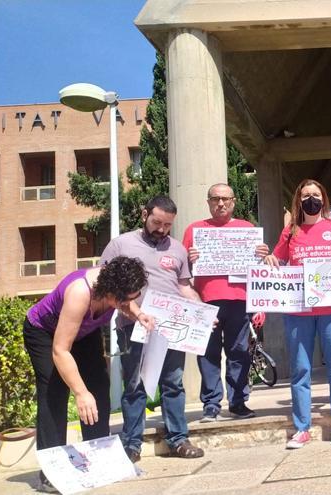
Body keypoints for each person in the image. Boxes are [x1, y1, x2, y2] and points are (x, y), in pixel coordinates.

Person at [24, 257, 152, 492]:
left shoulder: (116, 287)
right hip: (45, 334)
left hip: (84, 332)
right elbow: (60, 350)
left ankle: (98, 458)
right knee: (55, 391)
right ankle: (51, 471)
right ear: (110, 291)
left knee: (99, 388)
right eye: (126, 300)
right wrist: (80, 393)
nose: (129, 304)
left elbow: (127, 300)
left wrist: (138, 314)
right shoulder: (79, 293)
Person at [101, 196, 207, 461]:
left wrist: (202, 312)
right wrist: (132, 311)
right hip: (132, 326)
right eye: (157, 221)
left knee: (173, 384)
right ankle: (131, 444)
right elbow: (105, 283)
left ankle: (178, 440)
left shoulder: (178, 248)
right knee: (135, 386)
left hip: (171, 328)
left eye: (167, 225)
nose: (161, 229)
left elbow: (183, 286)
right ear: (144, 213)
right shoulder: (120, 244)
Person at [263, 179, 331, 449]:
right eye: (306, 195)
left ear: (324, 199)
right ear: (299, 200)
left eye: (316, 195)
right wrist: (271, 259)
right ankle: (302, 427)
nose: (311, 199)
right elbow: (278, 259)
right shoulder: (291, 231)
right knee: (300, 370)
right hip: (298, 311)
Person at [183, 183, 270, 422]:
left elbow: (258, 270)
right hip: (205, 301)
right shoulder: (194, 230)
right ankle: (211, 404)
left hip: (239, 301)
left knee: (238, 353)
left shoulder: (247, 229)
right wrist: (190, 260)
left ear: (233, 201)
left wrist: (259, 303)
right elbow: (182, 271)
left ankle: (238, 402)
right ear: (208, 202)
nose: (220, 203)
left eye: (225, 199)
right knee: (207, 354)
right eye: (215, 199)